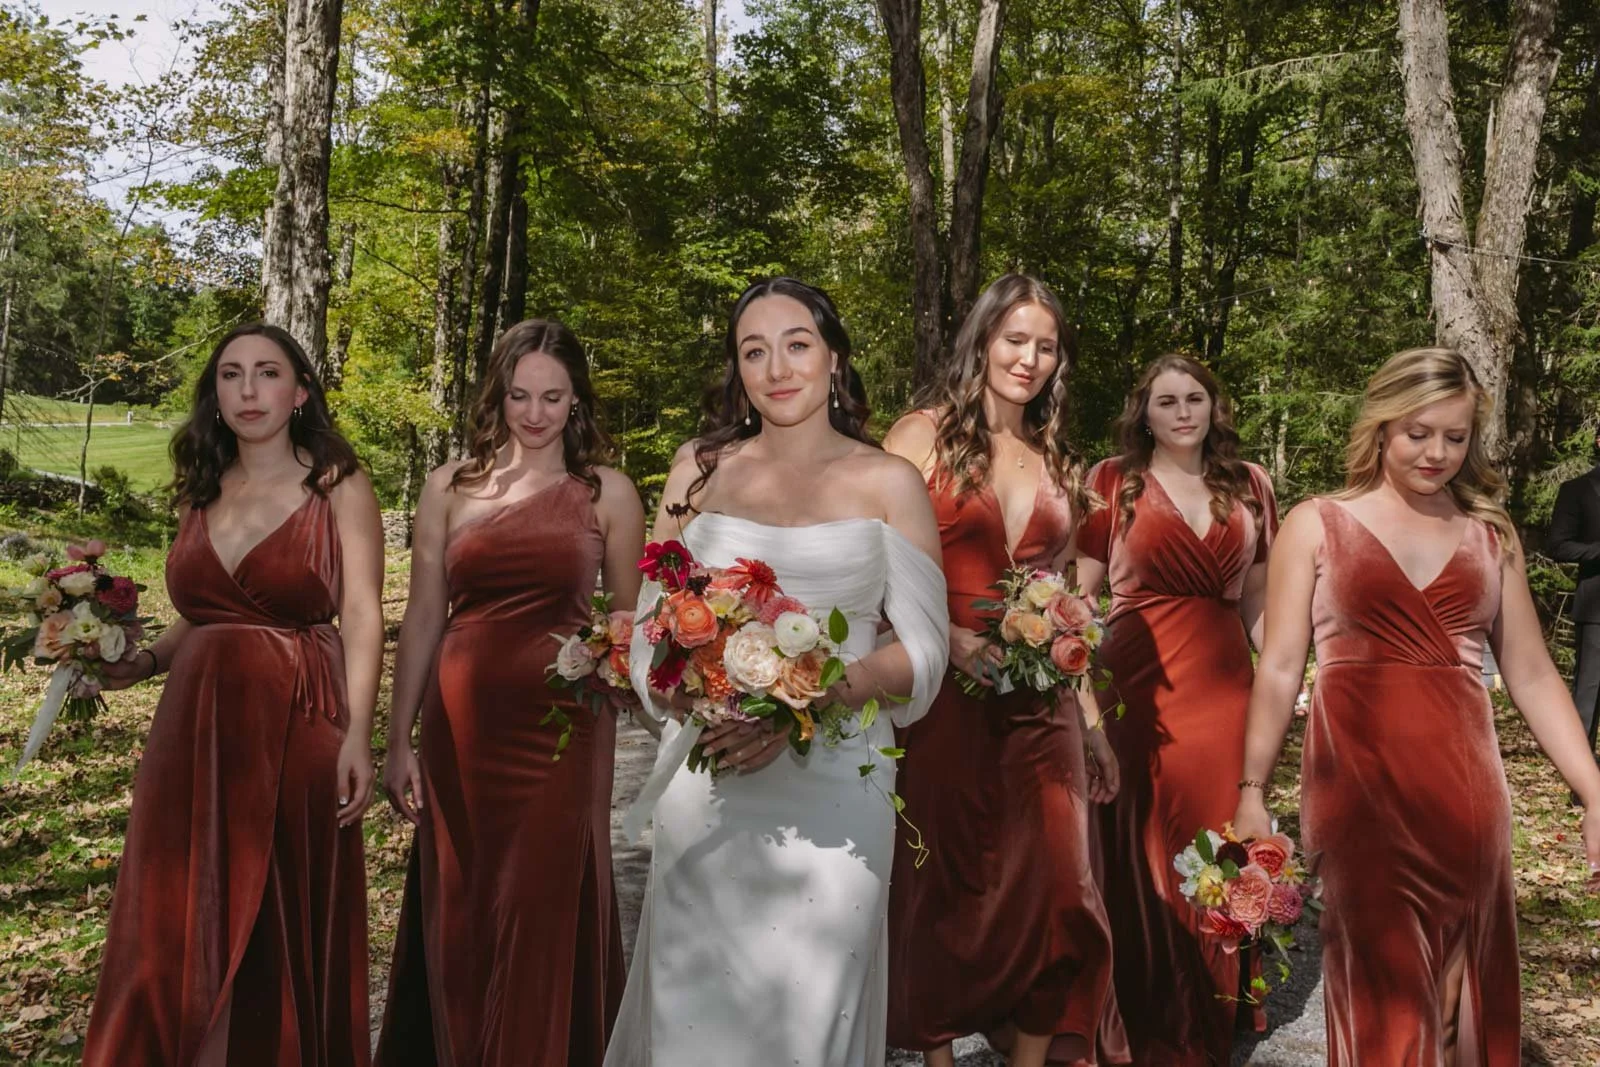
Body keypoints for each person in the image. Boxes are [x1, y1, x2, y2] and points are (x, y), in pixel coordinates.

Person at [603, 277, 950, 1067]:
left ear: (834, 357)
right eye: (753, 350)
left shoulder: (889, 480)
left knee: (811, 1017)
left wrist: (821, 695)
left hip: (838, 785)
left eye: (797, 343)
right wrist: (710, 688)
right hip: (714, 770)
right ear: (737, 369)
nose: (777, 366)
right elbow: (653, 636)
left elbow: (924, 650)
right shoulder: (699, 470)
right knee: (698, 1012)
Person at [1233, 347, 1600, 1064]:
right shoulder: (1316, 523)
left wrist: (1593, 790)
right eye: (1419, 432)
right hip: (1355, 796)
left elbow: (1530, 674)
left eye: (1456, 437)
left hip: (1466, 798)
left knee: (1457, 1002)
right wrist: (1252, 789)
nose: (1437, 452)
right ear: (1382, 425)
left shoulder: (1491, 536)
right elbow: (1278, 667)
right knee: (1382, 994)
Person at [82, 322, 385, 1066]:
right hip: (192, 728)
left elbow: (365, 612)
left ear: (300, 391)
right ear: (214, 396)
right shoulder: (202, 485)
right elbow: (208, 610)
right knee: (179, 917)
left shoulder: (337, 483)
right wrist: (146, 659)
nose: (249, 389)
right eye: (231, 375)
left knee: (271, 919)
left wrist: (358, 736)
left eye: (268, 372)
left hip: (298, 715)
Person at [374, 320, 645, 1067]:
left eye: (552, 396)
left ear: (576, 403)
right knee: (463, 908)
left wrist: (620, 671)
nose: (534, 412)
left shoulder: (608, 494)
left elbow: (631, 624)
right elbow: (424, 614)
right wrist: (398, 741)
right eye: (521, 394)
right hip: (462, 723)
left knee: (542, 906)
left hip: (564, 728)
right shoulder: (449, 487)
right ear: (498, 394)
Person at [883, 273, 1126, 1067]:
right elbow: (871, 565)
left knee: (1062, 894)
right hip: (945, 698)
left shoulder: (1059, 458)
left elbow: (1066, 599)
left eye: (1046, 346)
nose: (1029, 358)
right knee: (945, 888)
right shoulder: (919, 435)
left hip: (1044, 706)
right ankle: (939, 1058)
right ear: (982, 340)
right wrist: (947, 634)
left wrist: (1092, 727)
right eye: (1015, 340)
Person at [1074, 353, 1276, 1065]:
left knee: (1216, 844)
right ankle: (1136, 1013)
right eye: (1167, 400)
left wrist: (1287, 680)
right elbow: (1082, 595)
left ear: (1214, 406)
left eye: (1195, 397)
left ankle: (1206, 1012)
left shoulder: (1253, 484)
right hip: (1135, 685)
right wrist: (1074, 691)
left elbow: (1257, 599)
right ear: (1145, 411)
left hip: (1225, 688)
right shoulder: (1112, 481)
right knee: (1137, 843)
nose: (1183, 411)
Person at [1546, 427, 1600, 774]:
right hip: (1597, 609)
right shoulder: (1577, 490)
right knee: (1588, 695)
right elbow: (1558, 545)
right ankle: (1583, 780)